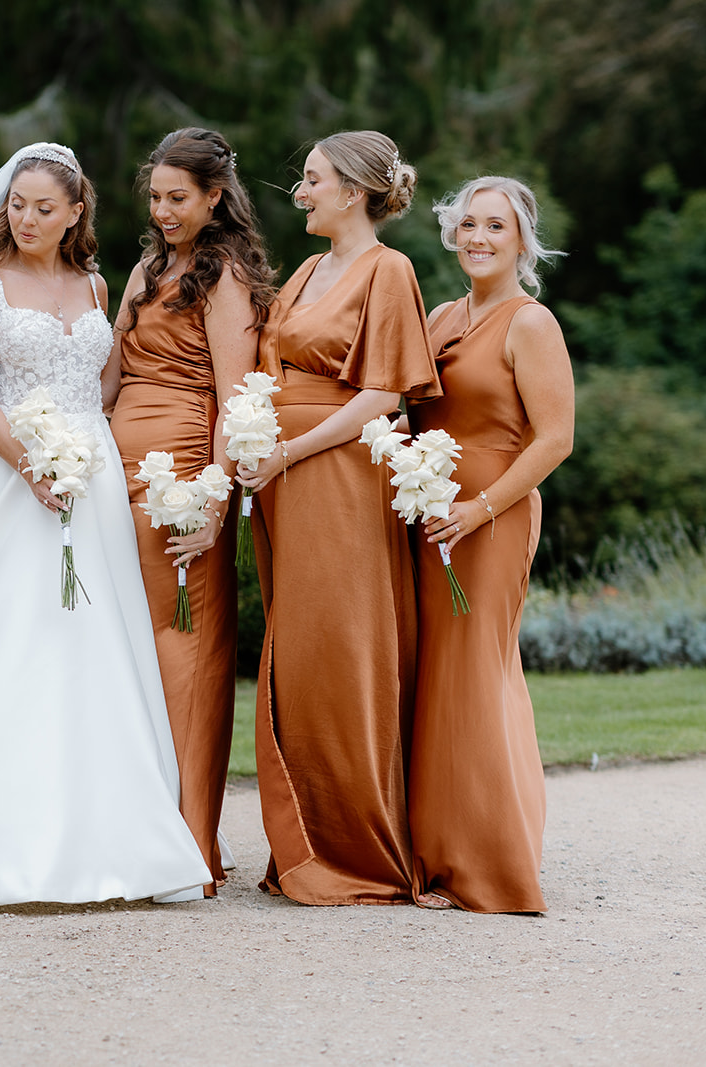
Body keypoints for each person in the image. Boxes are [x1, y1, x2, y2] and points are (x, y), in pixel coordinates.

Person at [0, 143, 211, 906]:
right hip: (9, 471)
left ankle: (108, 832)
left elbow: (106, 383)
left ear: (75, 213)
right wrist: (30, 464)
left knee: (95, 638)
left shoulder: (97, 284)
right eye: (18, 205)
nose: (27, 219)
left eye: (43, 208)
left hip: (89, 473)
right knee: (3, 630)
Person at [236, 131, 441, 905]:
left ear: (354, 192)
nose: (300, 191)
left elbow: (381, 396)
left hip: (341, 474)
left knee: (341, 646)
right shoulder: (308, 269)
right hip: (286, 474)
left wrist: (287, 453)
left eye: (313, 179)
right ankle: (307, 841)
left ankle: (360, 847)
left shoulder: (389, 271)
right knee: (300, 651)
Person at [110, 127, 277, 895]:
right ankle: (131, 825)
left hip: (183, 470)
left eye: (179, 197)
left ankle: (188, 842)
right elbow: (110, 373)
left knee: (185, 647)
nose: (164, 210)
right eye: (156, 197)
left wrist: (215, 501)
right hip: (117, 469)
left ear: (215, 197)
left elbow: (235, 395)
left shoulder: (227, 276)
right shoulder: (148, 266)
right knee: (129, 649)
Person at [408, 176, 574, 913]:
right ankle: (438, 849)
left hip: (491, 519)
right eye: (467, 223)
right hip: (428, 518)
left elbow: (556, 438)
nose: (477, 237)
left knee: (475, 672)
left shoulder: (530, 323)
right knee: (437, 676)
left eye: (495, 227)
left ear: (521, 241)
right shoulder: (442, 316)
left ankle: (490, 864)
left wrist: (479, 507)